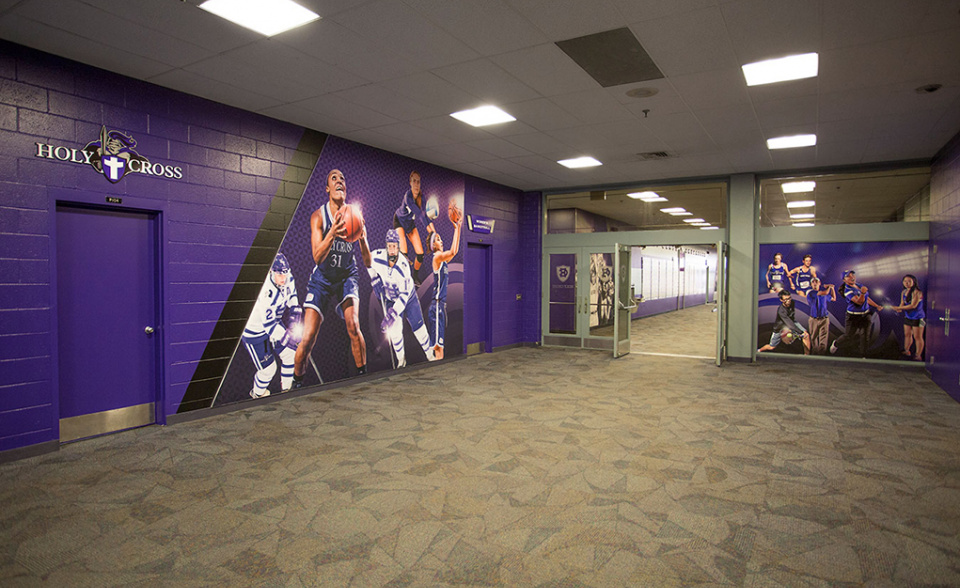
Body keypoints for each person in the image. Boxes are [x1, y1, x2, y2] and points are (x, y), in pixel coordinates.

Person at [293, 169, 370, 388]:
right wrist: (333, 233)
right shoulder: (319, 216)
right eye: (334, 179)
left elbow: (368, 262)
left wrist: (363, 239)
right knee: (307, 337)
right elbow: (317, 257)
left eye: (342, 179)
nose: (339, 181)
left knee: (354, 325)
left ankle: (364, 378)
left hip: (347, 274)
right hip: (323, 278)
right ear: (328, 188)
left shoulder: (354, 215)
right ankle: (295, 385)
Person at [365, 229, 436, 368]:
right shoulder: (378, 256)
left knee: (418, 328)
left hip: (407, 298)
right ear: (386, 246)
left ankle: (429, 355)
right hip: (390, 298)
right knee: (396, 332)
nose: (392, 250)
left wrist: (393, 313)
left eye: (395, 246)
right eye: (390, 246)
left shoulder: (403, 266)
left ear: (398, 247)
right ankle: (401, 360)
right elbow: (367, 262)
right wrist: (374, 278)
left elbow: (404, 294)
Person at [241, 253, 301, 398]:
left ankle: (287, 392)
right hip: (256, 332)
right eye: (279, 274)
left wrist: (294, 319)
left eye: (285, 274)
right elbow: (269, 326)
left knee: (290, 355)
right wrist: (289, 338)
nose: (283, 278)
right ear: (270, 272)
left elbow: (293, 300)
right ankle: (257, 394)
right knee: (269, 369)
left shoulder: (288, 278)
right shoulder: (265, 291)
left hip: (274, 321)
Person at [427, 214, 463, 360]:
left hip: (440, 306)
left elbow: (454, 252)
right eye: (437, 239)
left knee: (439, 346)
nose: (441, 241)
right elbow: (453, 251)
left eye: (440, 238)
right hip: (436, 305)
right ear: (433, 245)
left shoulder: (444, 261)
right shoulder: (437, 257)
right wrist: (458, 228)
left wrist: (458, 229)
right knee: (438, 347)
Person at [393, 171, 436, 285]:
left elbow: (425, 215)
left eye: (418, 182)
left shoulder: (422, 197)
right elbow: (420, 215)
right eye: (414, 181)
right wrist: (430, 231)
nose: (416, 184)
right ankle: (401, 279)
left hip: (410, 224)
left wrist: (434, 233)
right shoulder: (408, 197)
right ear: (410, 183)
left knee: (420, 254)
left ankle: (414, 276)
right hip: (399, 221)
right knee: (404, 253)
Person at [830, 270, 884, 357]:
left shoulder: (859, 285)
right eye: (848, 276)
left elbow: (866, 298)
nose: (852, 277)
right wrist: (862, 293)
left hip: (865, 315)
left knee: (865, 336)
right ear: (844, 280)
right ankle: (836, 343)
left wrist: (876, 305)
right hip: (853, 317)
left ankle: (863, 356)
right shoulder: (848, 291)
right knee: (849, 336)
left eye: (852, 275)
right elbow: (859, 302)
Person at [758, 289, 810, 354]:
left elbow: (792, 320)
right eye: (786, 299)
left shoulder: (792, 302)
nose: (788, 301)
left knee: (806, 335)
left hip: (792, 322)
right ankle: (759, 351)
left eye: (789, 298)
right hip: (779, 328)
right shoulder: (781, 311)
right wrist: (800, 332)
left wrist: (802, 332)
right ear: (781, 300)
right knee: (772, 346)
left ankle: (807, 355)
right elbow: (789, 324)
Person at [889, 274, 925, 360]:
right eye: (905, 281)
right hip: (908, 317)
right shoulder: (904, 292)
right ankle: (907, 350)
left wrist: (898, 308)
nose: (907, 283)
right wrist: (898, 309)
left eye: (909, 281)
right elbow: (902, 303)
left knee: (917, 337)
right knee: (907, 334)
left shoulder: (917, 292)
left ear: (914, 282)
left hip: (918, 318)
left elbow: (913, 306)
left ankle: (918, 355)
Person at [800, 276, 835, 354]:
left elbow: (833, 298)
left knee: (823, 337)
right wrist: (829, 287)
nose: (815, 284)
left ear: (819, 283)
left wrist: (832, 288)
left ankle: (821, 354)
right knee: (813, 337)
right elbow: (825, 292)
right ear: (811, 284)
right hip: (814, 319)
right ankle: (815, 353)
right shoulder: (810, 292)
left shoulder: (824, 294)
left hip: (824, 318)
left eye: (816, 282)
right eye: (813, 282)